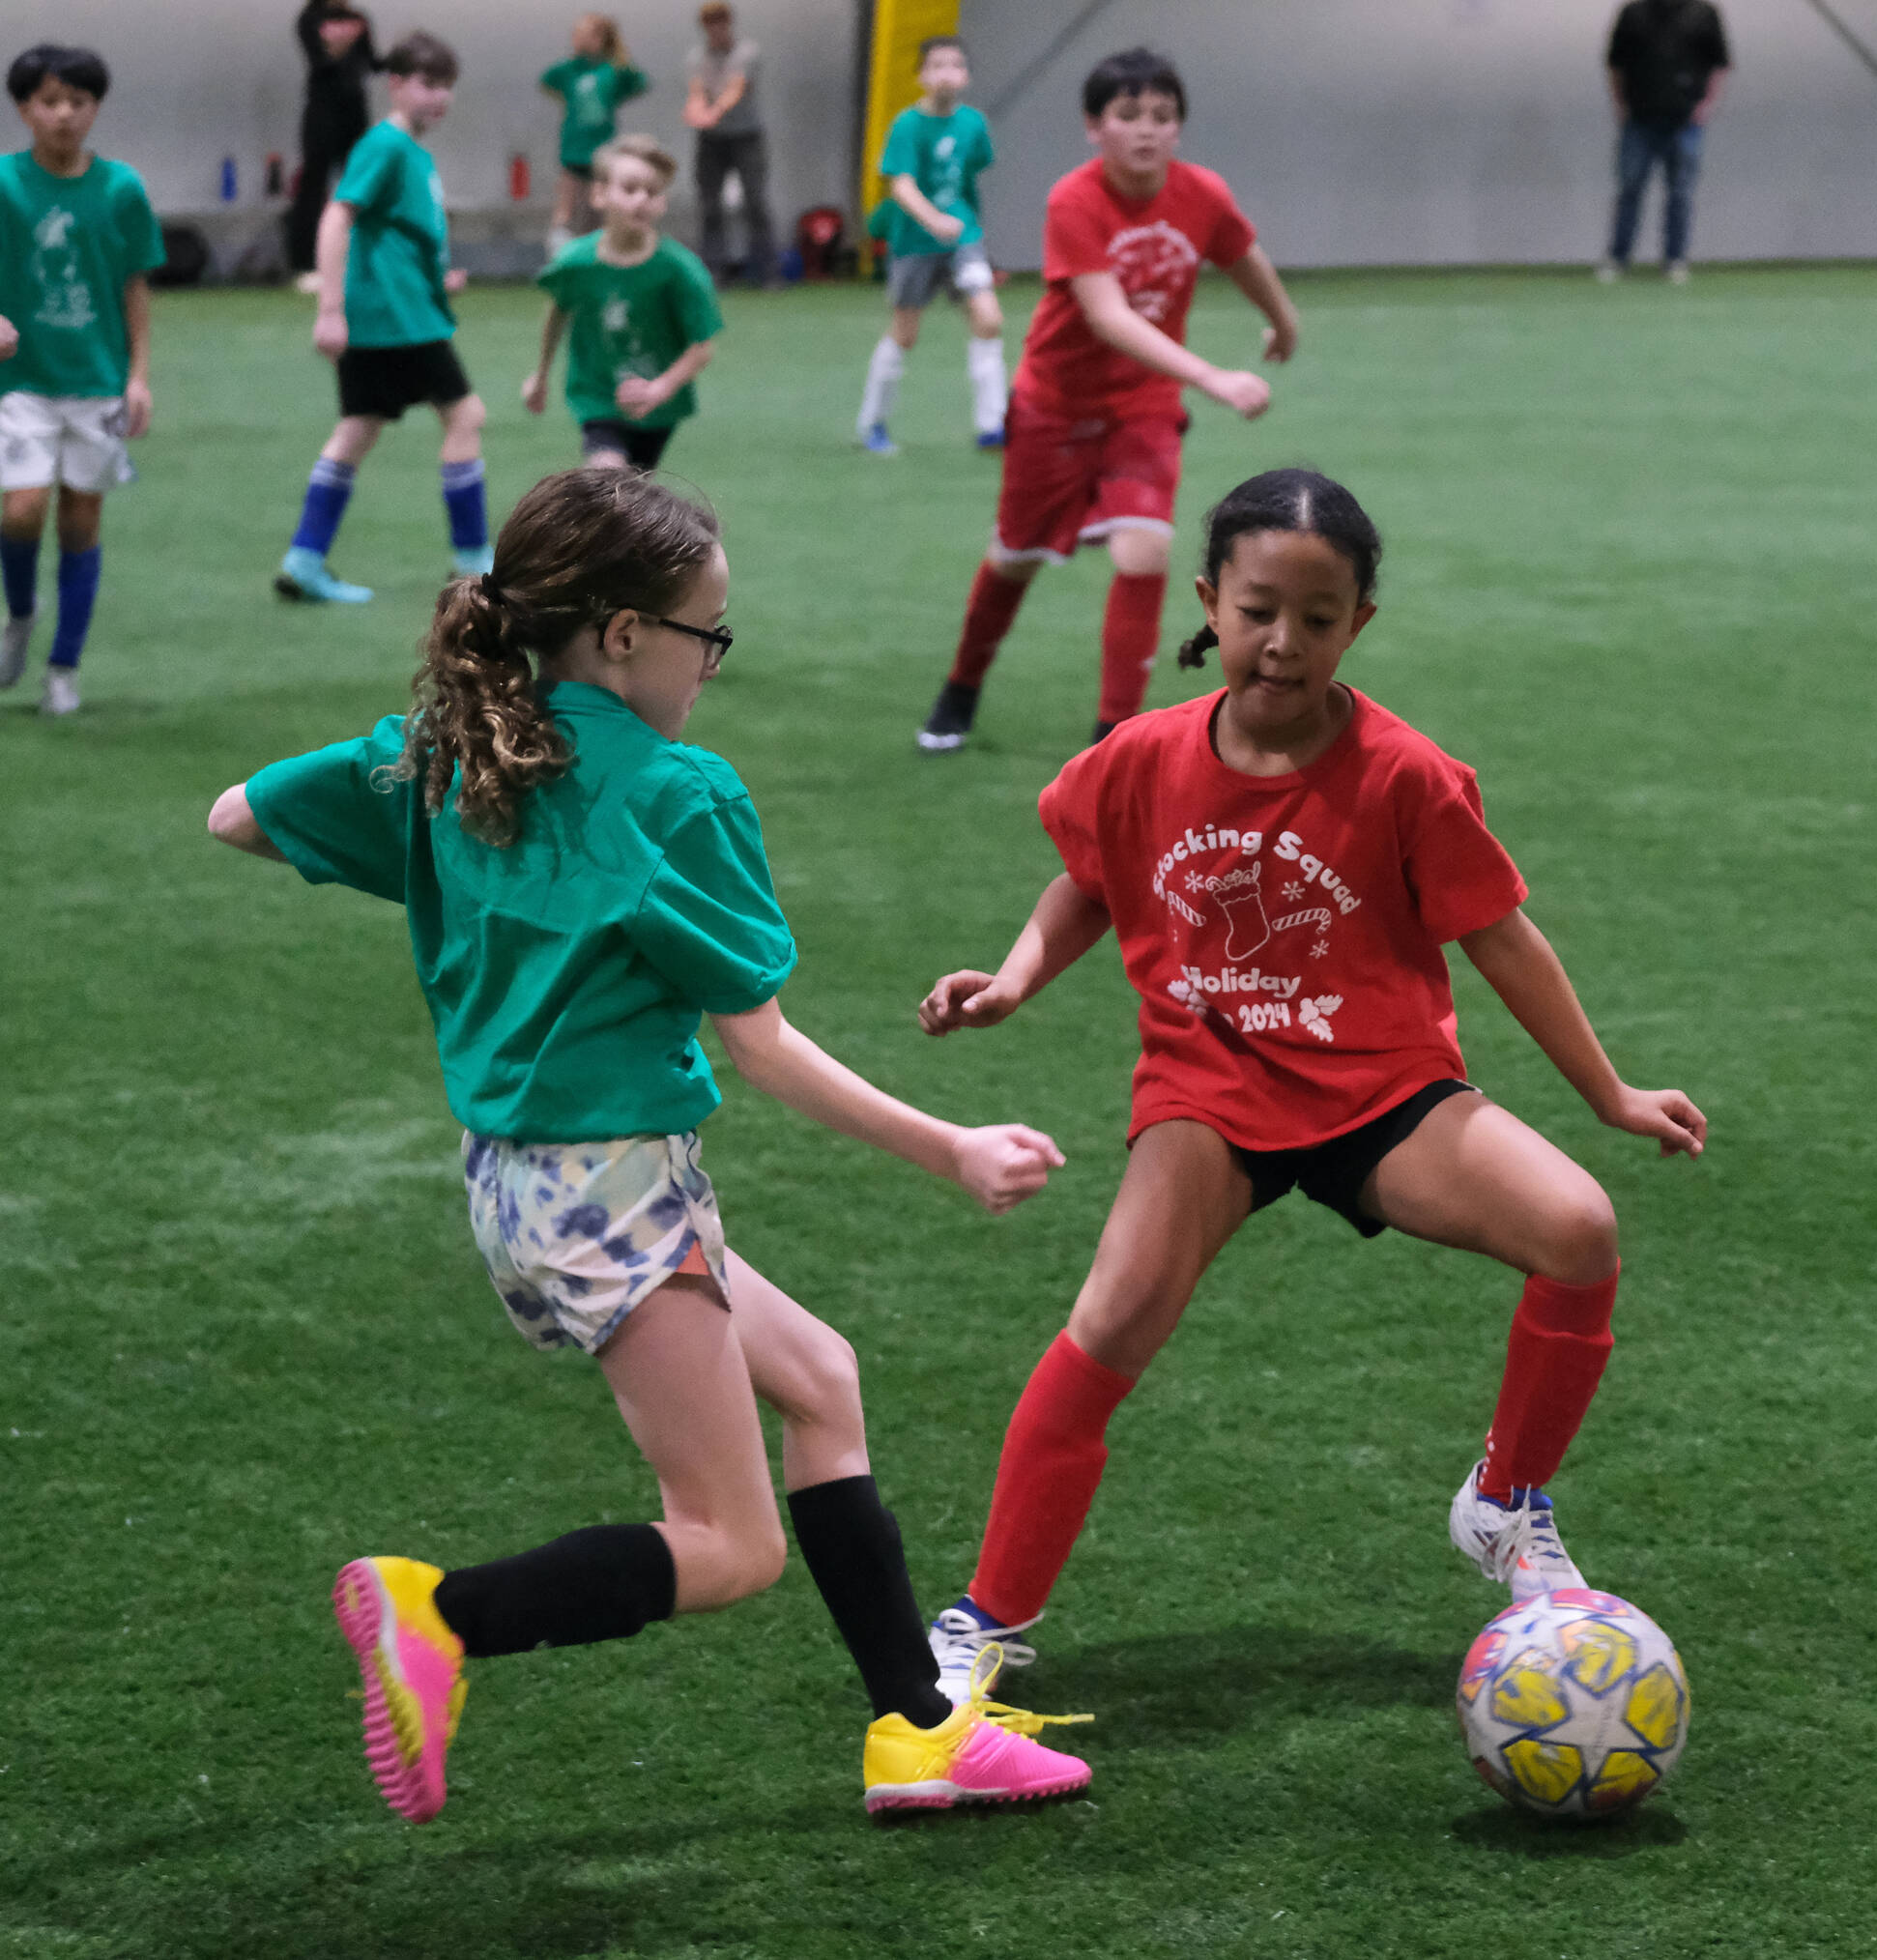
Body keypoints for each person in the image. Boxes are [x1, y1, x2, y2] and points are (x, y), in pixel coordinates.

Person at [207, 467, 1095, 1820]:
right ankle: (437, 1615)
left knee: (820, 1380)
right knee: (730, 1546)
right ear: (624, 632)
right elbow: (767, 1047)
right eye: (708, 635)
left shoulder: (453, 750)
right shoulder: (675, 793)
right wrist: (952, 1147)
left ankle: (919, 1729)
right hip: (614, 1187)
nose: (713, 666)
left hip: (523, 1187)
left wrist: (453, 866)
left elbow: (240, 815)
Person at [912, 468, 1708, 1703]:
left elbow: (1502, 937)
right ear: (1210, 605)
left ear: (1359, 626)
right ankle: (980, 1625)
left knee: (1577, 1229)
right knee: (1110, 1321)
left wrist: (1607, 1096)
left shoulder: (1404, 775)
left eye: (1319, 618)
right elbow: (1088, 875)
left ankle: (1502, 1505)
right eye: (1257, 610)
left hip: (1385, 1093)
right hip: (1209, 1095)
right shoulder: (1138, 759)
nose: (1283, 644)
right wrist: (1015, 981)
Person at [915, 47, 1299, 758]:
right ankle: (962, 686)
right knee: (1013, 557)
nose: (1147, 130)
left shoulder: (1201, 193)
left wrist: (1283, 318)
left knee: (1144, 555)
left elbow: (1241, 251)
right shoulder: (1075, 198)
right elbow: (1108, 315)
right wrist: (1213, 377)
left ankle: (1112, 737)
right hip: (1055, 407)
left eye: (1162, 116)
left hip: (1143, 407)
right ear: (1095, 125)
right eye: (1128, 115)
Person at [274, 31, 488, 606]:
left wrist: (435, 280)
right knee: (465, 415)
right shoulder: (387, 145)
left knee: (358, 429)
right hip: (394, 321)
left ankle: (303, 559)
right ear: (395, 84)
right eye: (426, 84)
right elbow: (337, 218)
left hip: (403, 310)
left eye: (446, 86)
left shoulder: (412, 153)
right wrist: (330, 308)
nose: (438, 97)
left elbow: (394, 235)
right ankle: (474, 563)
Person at [0, 43, 163, 718]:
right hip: (21, 381)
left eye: (77, 102)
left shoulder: (121, 189)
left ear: (95, 108)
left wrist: (139, 376)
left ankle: (63, 668)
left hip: (96, 381)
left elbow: (134, 287)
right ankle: (21, 614)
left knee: (81, 518)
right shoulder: (4, 184)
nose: (63, 115)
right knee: (22, 507)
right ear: (23, 109)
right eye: (49, 101)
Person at [524, 135, 721, 473]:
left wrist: (660, 389)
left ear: (663, 203)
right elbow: (558, 312)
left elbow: (702, 346)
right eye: (630, 189)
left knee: (630, 496)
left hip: (657, 407)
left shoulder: (680, 271)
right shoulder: (575, 263)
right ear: (599, 194)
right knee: (607, 473)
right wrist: (540, 375)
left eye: (653, 192)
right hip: (597, 394)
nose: (641, 200)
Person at [855, 36, 1003, 455]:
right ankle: (874, 423)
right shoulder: (907, 125)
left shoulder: (974, 124)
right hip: (915, 241)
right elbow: (900, 184)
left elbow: (969, 177)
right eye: (936, 66)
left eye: (955, 65)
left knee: (988, 318)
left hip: (963, 238)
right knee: (905, 332)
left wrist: (967, 226)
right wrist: (934, 220)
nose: (946, 74)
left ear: (967, 75)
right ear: (921, 75)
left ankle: (993, 424)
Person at [1598, 0, 1731, 285]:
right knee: (1630, 190)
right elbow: (1616, 63)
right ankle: (1618, 258)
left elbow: (1719, 64)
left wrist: (1706, 105)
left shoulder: (1704, 14)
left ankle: (1675, 259)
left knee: (1680, 193)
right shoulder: (1632, 14)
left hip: (1685, 122)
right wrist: (1620, 105)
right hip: (1639, 119)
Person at [538, 13, 648, 255]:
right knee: (566, 206)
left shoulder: (612, 69)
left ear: (599, 38)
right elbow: (547, 81)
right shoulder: (570, 69)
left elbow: (639, 82)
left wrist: (615, 98)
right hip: (573, 148)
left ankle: (600, 253)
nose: (576, 39)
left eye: (583, 35)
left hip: (602, 149)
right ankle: (558, 255)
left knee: (599, 206)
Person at [682, 2, 773, 289]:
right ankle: (712, 271)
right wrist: (695, 109)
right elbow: (696, 91)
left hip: (746, 137)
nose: (716, 29)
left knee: (755, 201)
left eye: (720, 23)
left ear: (729, 23)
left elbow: (736, 88)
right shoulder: (697, 57)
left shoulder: (746, 52)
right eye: (710, 24)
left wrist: (712, 112)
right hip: (711, 141)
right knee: (709, 205)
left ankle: (767, 272)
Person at [286, 2, 378, 281]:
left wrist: (401, 60)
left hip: (354, 112)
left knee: (360, 184)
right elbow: (320, 62)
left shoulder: (358, 18)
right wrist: (336, 47)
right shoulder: (310, 18)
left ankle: (366, 260)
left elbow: (371, 62)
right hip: (322, 111)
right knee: (313, 185)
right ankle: (306, 264)